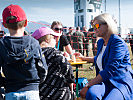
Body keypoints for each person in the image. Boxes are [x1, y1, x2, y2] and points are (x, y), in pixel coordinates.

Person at [74, 13, 133, 100]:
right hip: (105, 82)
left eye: (97, 25)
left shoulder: (117, 42)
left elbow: (110, 69)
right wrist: (83, 58)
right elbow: (101, 59)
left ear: (108, 25)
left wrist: (88, 85)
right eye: (93, 26)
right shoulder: (101, 42)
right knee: (92, 94)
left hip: (119, 82)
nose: (94, 28)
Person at [1, 4, 47, 100]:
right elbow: (43, 69)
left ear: (4, 24)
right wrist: (37, 82)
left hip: (11, 91)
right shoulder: (33, 43)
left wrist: (4, 83)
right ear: (26, 23)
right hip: (32, 91)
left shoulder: (1, 45)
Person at [32, 27, 75, 100]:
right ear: (47, 40)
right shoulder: (55, 54)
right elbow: (67, 68)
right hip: (59, 93)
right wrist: (71, 83)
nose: (56, 40)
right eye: (54, 38)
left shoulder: (33, 54)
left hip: (40, 93)